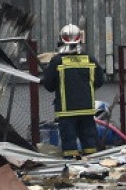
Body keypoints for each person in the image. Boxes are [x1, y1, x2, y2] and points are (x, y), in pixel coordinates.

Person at [41, 23, 106, 157]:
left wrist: (46, 78)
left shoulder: (57, 61)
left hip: (67, 112)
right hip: (87, 110)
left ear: (61, 39)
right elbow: (100, 81)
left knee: (70, 145)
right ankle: (91, 163)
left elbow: (49, 86)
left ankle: (71, 165)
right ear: (79, 39)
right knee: (90, 143)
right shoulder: (90, 59)